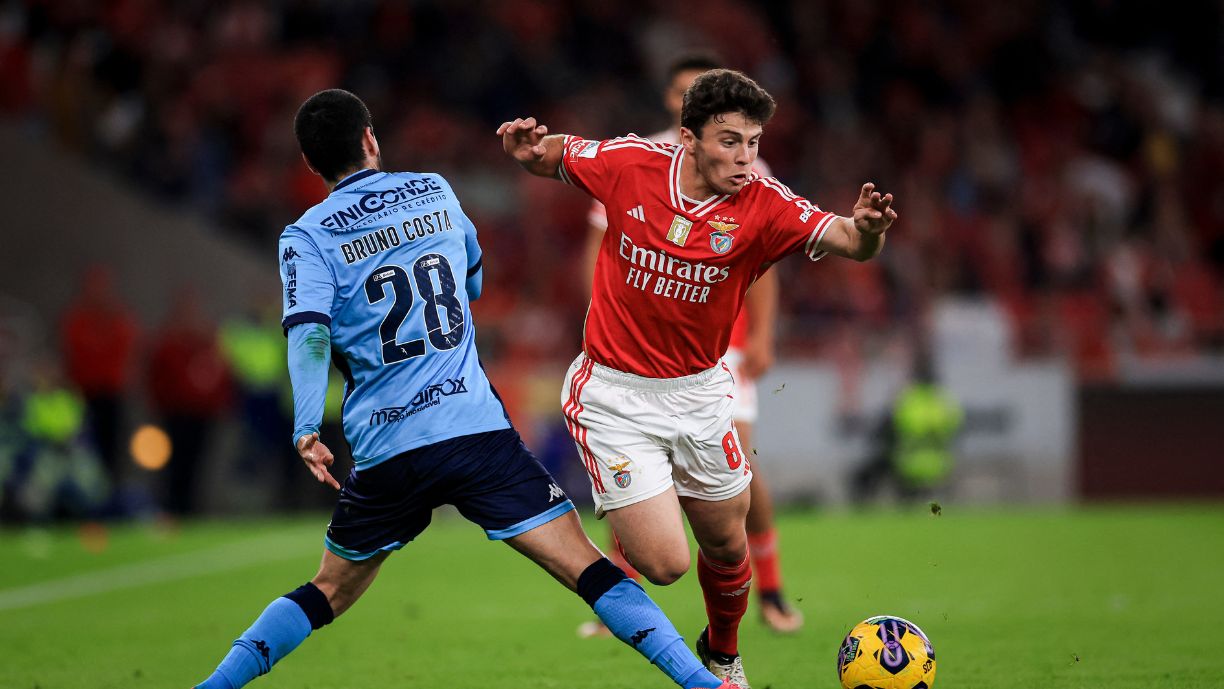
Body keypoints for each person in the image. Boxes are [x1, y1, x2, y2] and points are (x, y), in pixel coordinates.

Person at [192, 89, 741, 689]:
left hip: (387, 447)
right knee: (586, 567)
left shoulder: (305, 237)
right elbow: (472, 281)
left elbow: (309, 338)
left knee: (327, 590)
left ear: (311, 165)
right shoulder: (435, 192)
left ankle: (212, 687)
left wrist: (305, 426)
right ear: (370, 138)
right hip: (473, 431)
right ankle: (704, 684)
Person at [498, 68, 897, 687]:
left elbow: (846, 237)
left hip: (702, 392)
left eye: (754, 143)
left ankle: (723, 654)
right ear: (689, 137)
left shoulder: (765, 204)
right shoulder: (631, 164)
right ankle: (556, 535)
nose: (746, 159)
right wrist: (527, 151)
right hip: (614, 395)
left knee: (727, 543)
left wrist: (868, 233)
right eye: (730, 141)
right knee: (663, 564)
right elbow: (553, 156)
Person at [579, 56, 802, 636]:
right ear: (678, 109)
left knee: (741, 474)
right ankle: (625, 583)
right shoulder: (638, 159)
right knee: (639, 480)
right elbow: (603, 241)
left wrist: (762, 335)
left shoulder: (748, 167)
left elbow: (766, 258)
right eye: (681, 92)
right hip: (631, 361)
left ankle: (770, 590)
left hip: (718, 353)